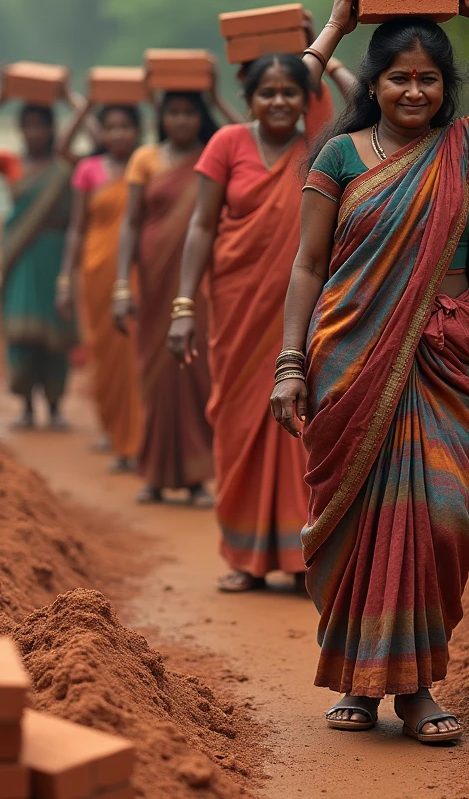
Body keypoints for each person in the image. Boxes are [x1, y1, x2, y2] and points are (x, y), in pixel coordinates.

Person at [271, 0, 469, 741]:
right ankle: (363, 688)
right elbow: (307, 264)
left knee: (439, 521)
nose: (413, 91)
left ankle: (420, 687)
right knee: (358, 524)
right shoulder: (338, 155)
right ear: (375, 84)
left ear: (445, 89)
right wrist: (290, 363)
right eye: (398, 78)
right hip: (348, 360)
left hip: (442, 361)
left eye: (428, 80)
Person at [167, 53, 333, 592]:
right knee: (238, 424)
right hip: (237, 307)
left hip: (303, 311)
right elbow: (200, 225)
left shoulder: (321, 144)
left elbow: (362, 99)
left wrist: (324, 37)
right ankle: (244, 556)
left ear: (306, 97)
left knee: (301, 425)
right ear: (249, 100)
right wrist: (183, 306)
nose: (280, 101)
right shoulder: (228, 144)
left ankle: (301, 554)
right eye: (268, 92)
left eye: (291, 91)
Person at [114, 89, 219, 506]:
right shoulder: (146, 158)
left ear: (201, 116)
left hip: (198, 280)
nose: (181, 121)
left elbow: (244, 128)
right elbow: (130, 223)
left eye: (190, 113)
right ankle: (154, 475)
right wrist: (122, 285)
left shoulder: (215, 151)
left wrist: (213, 93)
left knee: (196, 372)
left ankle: (196, 478)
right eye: (172, 113)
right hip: (153, 279)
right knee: (154, 376)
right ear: (161, 117)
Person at [0, 86, 80, 429]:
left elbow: (99, 142)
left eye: (41, 125)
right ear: (20, 129)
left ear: (52, 128)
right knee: (21, 334)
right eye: (28, 125)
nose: (34, 132)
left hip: (56, 254)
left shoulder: (65, 163)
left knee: (57, 334)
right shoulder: (11, 162)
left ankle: (55, 407)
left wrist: (73, 100)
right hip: (19, 255)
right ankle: (26, 406)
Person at [56, 102, 144, 471]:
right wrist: (65, 278)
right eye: (111, 127)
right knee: (105, 355)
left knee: (134, 357)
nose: (118, 134)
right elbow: (77, 228)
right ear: (101, 132)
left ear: (139, 130)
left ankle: (135, 441)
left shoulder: (146, 165)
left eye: (126, 126)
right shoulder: (88, 169)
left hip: (138, 274)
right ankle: (113, 429)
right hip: (95, 273)